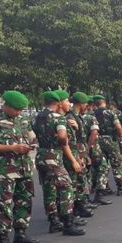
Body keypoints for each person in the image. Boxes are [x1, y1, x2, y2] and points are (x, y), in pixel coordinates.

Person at [0, 90, 40, 243]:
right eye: (17, 109)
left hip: (24, 168)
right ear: (6, 106)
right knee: (4, 204)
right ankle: (3, 239)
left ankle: (20, 233)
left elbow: (33, 139)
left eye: (21, 109)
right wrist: (11, 148)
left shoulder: (23, 120)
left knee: (24, 200)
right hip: (4, 170)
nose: (19, 112)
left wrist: (30, 146)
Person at [32, 91, 85, 235]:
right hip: (53, 156)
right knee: (66, 186)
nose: (69, 103)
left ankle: (54, 221)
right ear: (58, 103)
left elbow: (32, 136)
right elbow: (62, 138)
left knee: (49, 189)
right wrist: (65, 139)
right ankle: (68, 222)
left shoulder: (36, 118)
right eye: (67, 101)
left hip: (41, 155)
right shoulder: (58, 118)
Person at [95, 95, 122, 196]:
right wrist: (119, 136)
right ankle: (121, 187)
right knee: (115, 163)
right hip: (110, 139)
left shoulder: (92, 114)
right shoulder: (110, 113)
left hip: (97, 140)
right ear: (104, 103)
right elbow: (118, 127)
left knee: (102, 165)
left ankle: (104, 188)